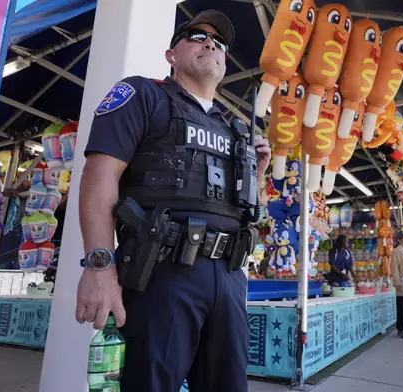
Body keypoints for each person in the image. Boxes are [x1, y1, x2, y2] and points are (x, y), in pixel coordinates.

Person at [75, 11, 271, 392]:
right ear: (171, 55)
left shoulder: (235, 130)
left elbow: (239, 210)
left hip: (230, 277)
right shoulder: (142, 95)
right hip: (162, 273)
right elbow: (99, 178)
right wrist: (99, 267)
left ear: (225, 61)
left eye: (219, 42)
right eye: (197, 36)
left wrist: (256, 172)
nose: (210, 43)